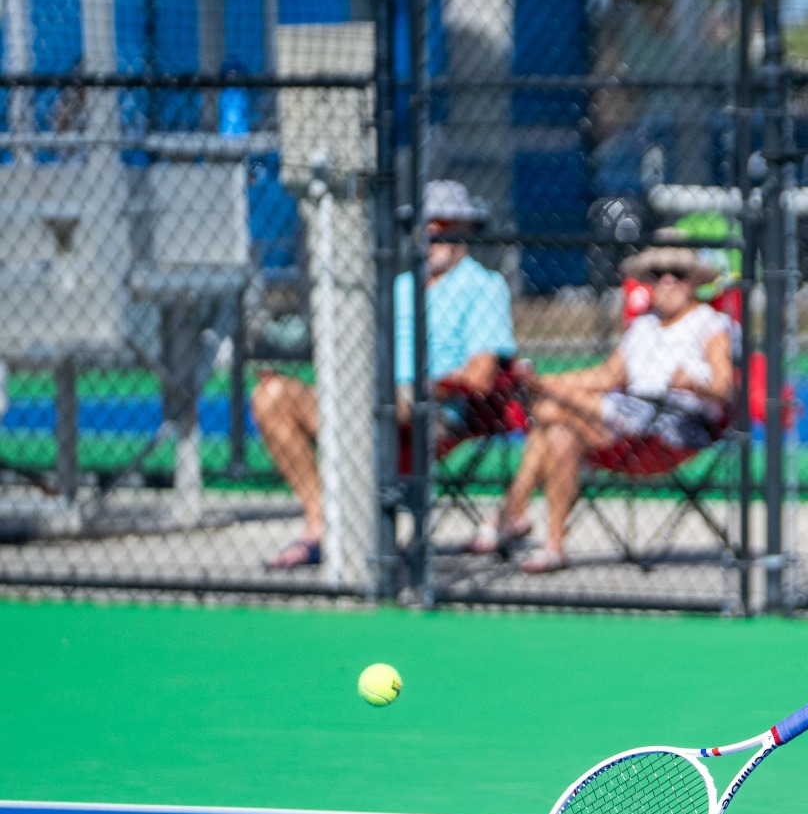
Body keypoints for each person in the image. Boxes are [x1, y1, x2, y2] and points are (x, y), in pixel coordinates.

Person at [258, 179, 515, 570]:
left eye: (444, 224)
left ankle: (358, 519)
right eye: (427, 224)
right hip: (369, 398)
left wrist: (420, 387)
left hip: (434, 410)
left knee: (384, 399)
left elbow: (479, 376)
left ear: (464, 228)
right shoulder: (400, 286)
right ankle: (322, 522)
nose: (433, 233)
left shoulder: (484, 286)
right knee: (270, 394)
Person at [477, 242, 734, 573]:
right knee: (558, 432)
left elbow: (725, 387)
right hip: (625, 422)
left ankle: (510, 512)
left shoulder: (710, 324)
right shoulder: (643, 324)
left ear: (694, 281)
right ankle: (553, 545)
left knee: (549, 412)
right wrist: (544, 381)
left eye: (678, 274)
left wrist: (695, 384)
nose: (667, 281)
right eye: (658, 275)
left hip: (676, 424)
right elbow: (606, 376)